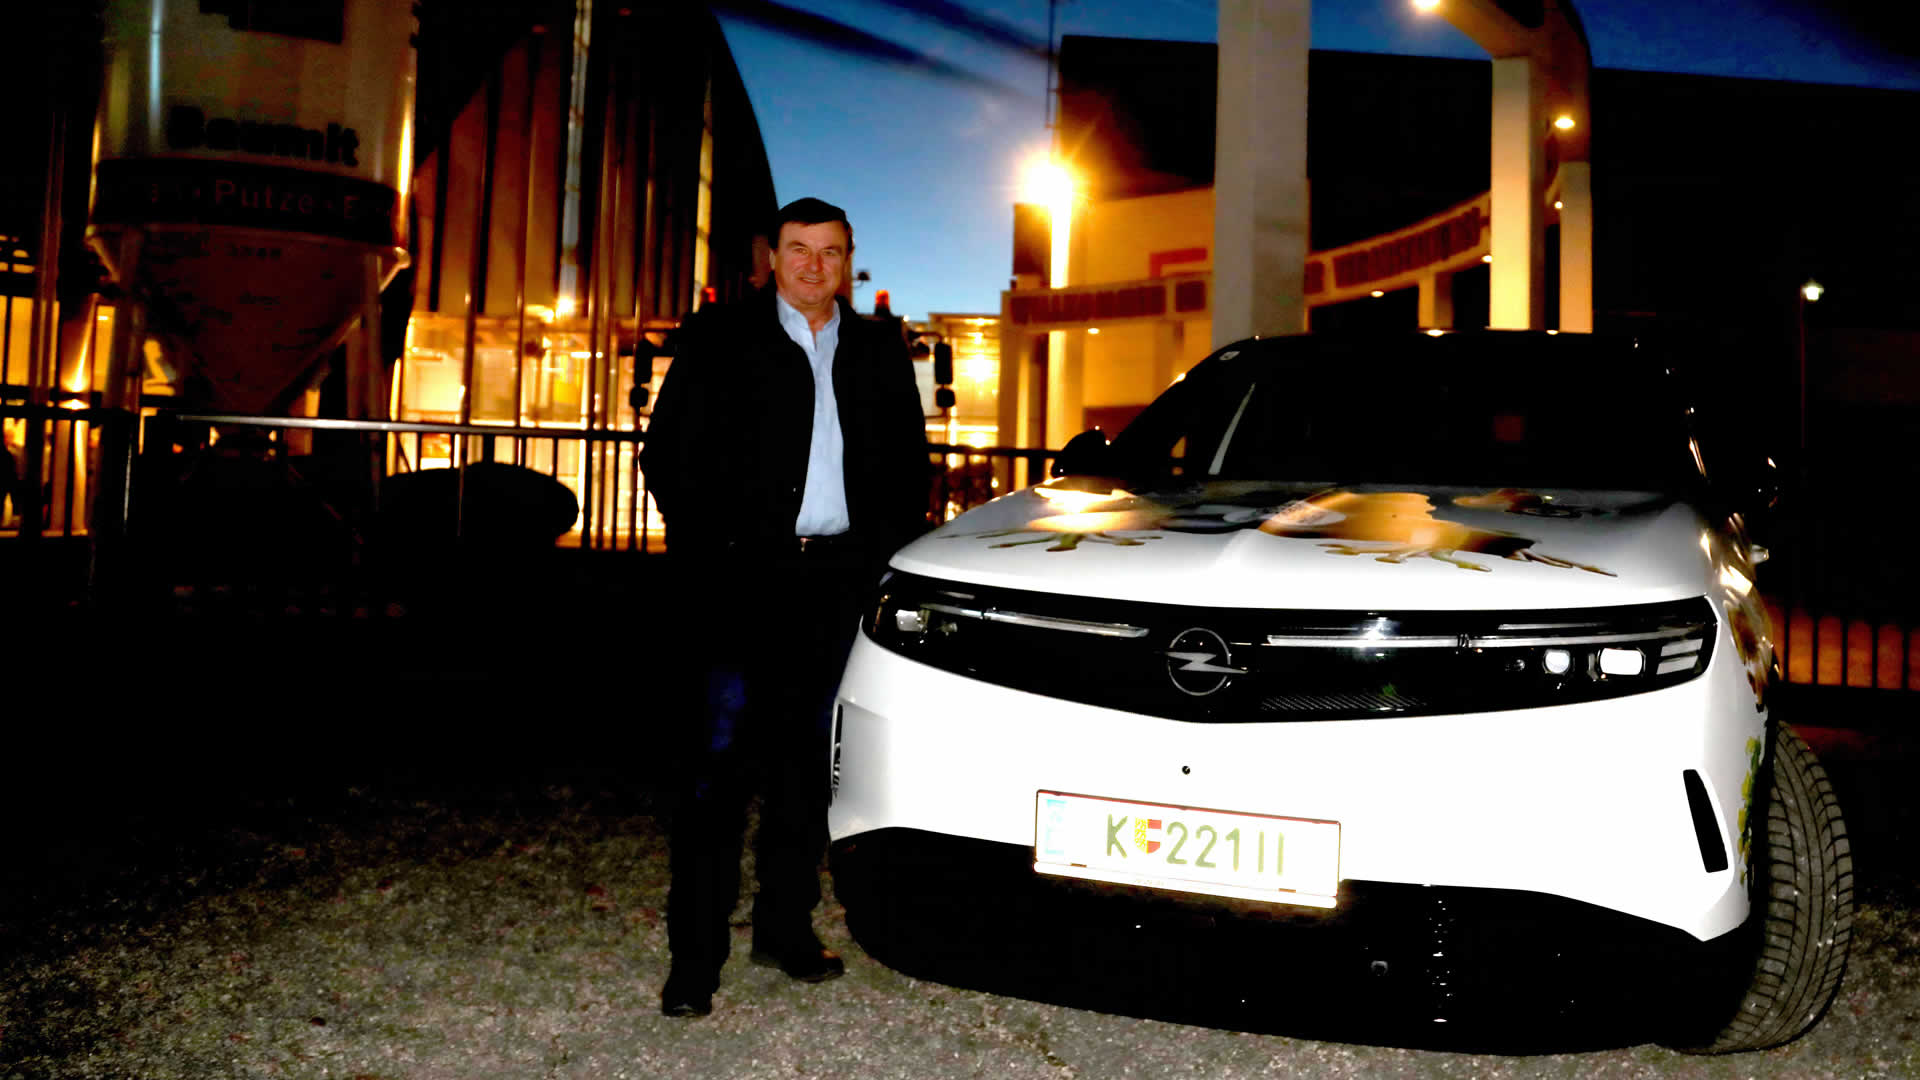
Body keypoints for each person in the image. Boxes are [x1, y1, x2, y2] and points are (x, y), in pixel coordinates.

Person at [639, 197, 930, 1018]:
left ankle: (785, 929)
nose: (813, 266)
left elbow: (909, 467)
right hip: (737, 585)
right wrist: (716, 552)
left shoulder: (877, 348)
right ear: (772, 257)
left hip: (835, 586)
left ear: (848, 262)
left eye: (830, 252)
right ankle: (695, 958)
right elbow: (667, 457)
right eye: (799, 249)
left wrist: (877, 558)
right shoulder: (720, 338)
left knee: (807, 771)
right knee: (715, 773)